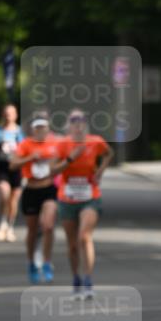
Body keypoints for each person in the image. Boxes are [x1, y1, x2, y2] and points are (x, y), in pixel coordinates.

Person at [50, 109, 113, 298]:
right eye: (74, 121)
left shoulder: (95, 142)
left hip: (90, 196)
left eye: (81, 121)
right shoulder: (62, 145)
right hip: (67, 198)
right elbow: (52, 171)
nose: (78, 124)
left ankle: (88, 279)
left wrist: (100, 170)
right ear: (69, 125)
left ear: (85, 124)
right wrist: (70, 159)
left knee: (84, 236)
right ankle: (76, 278)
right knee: (72, 245)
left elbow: (109, 153)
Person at [9, 112, 59, 282]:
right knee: (32, 230)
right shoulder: (25, 144)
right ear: (32, 129)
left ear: (48, 128)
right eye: (37, 128)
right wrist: (31, 158)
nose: (40, 131)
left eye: (43, 127)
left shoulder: (54, 144)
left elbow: (63, 162)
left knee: (48, 226)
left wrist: (53, 163)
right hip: (31, 189)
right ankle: (31, 262)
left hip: (48, 189)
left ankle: (46, 262)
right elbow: (13, 165)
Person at [0, 103, 23, 242]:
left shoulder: (20, 131)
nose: (8, 115)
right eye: (6, 113)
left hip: (16, 168)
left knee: (13, 200)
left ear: (16, 115)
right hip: (3, 167)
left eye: (11, 113)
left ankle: (10, 226)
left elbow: (25, 148)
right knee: (4, 194)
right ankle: (3, 223)